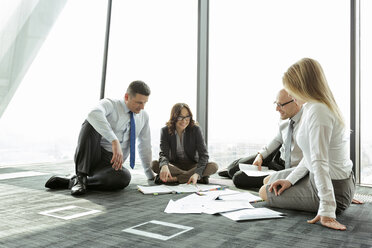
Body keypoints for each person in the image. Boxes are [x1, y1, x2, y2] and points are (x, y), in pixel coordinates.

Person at [259, 58, 355, 231]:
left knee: (264, 192)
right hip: (324, 178)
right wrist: (289, 181)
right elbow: (311, 156)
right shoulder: (313, 107)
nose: (290, 93)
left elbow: (319, 161)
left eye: (290, 89)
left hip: (333, 188)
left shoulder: (319, 111)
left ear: (302, 86)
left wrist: (327, 210)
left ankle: (334, 202)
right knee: (268, 180)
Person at [45, 80, 154, 195]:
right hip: (92, 156)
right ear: (127, 97)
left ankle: (76, 181)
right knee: (91, 123)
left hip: (112, 163)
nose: (142, 107)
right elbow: (93, 113)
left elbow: (144, 145)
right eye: (138, 103)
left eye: (144, 103)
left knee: (124, 177)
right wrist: (114, 140)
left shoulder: (144, 117)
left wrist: (151, 175)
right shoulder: (111, 104)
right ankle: (81, 175)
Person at [218, 89, 303, 189]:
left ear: (296, 101)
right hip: (277, 157)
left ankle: (245, 173)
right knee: (232, 168)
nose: (277, 109)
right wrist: (261, 156)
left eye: (281, 105)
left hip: (288, 168)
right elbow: (278, 139)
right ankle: (232, 171)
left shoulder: (307, 122)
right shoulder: (285, 117)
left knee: (238, 178)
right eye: (276, 103)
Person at [151, 103, 218, 185]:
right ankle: (195, 177)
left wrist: (196, 172)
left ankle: (175, 179)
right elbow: (163, 154)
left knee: (213, 166)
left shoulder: (196, 130)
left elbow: (204, 155)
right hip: (175, 165)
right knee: (154, 164)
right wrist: (164, 166)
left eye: (187, 117)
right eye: (180, 117)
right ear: (174, 117)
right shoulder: (165, 131)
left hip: (192, 165)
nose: (184, 120)